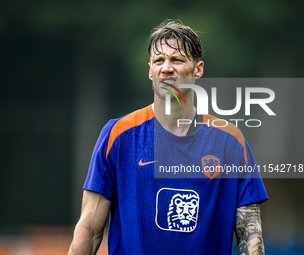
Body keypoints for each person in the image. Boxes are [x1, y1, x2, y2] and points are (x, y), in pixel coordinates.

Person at [68, 20, 268, 255]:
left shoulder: (230, 141)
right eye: (159, 60)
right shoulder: (118, 135)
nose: (166, 68)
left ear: (198, 69)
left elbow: (250, 234)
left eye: (177, 60)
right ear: (150, 70)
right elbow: (90, 229)